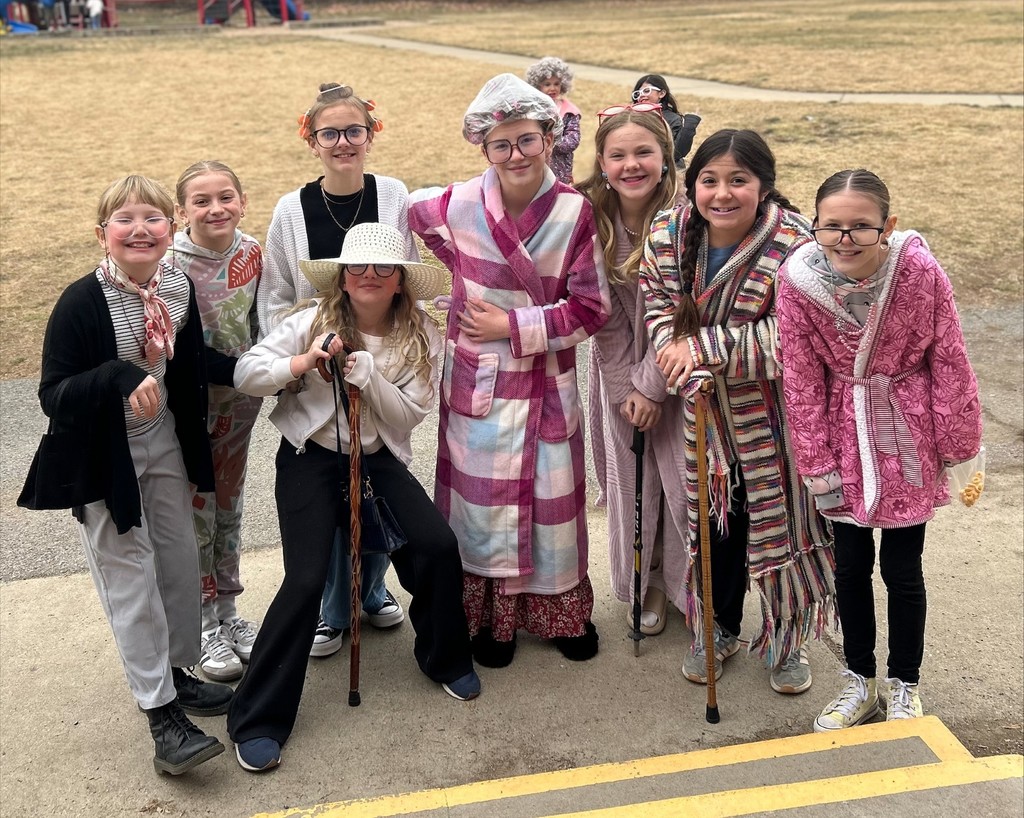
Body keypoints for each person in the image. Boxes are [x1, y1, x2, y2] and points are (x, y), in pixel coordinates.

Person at [226, 222, 479, 773]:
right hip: (310, 460)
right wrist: (300, 363)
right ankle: (260, 717)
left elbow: (411, 415)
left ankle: (443, 656)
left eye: (382, 269)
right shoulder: (309, 321)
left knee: (435, 545)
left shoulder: (422, 336)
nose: (368, 276)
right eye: (357, 268)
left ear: (399, 281)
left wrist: (372, 382)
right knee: (305, 578)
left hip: (377, 461)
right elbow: (247, 372)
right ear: (341, 278)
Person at [17, 175, 237, 775]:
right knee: (130, 577)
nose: (140, 229)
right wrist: (118, 375)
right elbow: (53, 394)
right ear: (102, 234)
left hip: (162, 440)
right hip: (102, 456)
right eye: (124, 219)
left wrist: (270, 367)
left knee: (177, 562)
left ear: (172, 230)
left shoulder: (176, 285)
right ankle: (162, 717)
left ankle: (175, 673)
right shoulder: (81, 301)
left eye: (153, 218)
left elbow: (192, 362)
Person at [409, 73, 610, 668]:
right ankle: (489, 625)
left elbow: (591, 308)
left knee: (553, 502)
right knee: (478, 504)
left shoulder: (575, 213)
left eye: (526, 140)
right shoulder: (458, 203)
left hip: (545, 379)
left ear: (550, 137)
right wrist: (460, 275)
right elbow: (412, 220)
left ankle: (559, 618)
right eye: (502, 144)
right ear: (484, 148)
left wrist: (511, 326)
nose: (515, 154)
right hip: (481, 383)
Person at [776, 169, 982, 731]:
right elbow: (798, 374)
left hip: (906, 428)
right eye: (832, 226)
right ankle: (858, 680)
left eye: (861, 227)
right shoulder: (796, 283)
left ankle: (904, 683)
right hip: (844, 434)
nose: (846, 238)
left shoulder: (919, 272)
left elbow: (949, 356)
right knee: (849, 566)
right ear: (813, 226)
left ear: (886, 227)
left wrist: (959, 443)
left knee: (902, 566)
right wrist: (817, 462)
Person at [639, 129, 835, 694]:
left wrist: (702, 349)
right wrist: (680, 361)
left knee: (784, 522)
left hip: (779, 420)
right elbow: (659, 309)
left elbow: (796, 339)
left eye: (738, 181)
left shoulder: (798, 247)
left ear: (764, 187)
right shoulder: (668, 236)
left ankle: (785, 635)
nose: (722, 194)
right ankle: (717, 627)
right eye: (709, 180)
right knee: (718, 524)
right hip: (705, 412)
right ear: (691, 183)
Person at [255, 82, 409, 660]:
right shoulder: (291, 209)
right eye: (330, 133)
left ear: (371, 135)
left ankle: (371, 588)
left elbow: (405, 274)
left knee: (375, 480)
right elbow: (275, 295)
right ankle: (329, 606)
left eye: (354, 131)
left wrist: (382, 352)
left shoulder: (392, 195)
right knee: (324, 492)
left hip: (380, 361)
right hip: (316, 360)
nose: (343, 142)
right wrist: (303, 354)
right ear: (311, 139)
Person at [577, 105, 685, 636]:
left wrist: (653, 383)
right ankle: (647, 585)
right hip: (617, 373)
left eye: (644, 152)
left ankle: (691, 588)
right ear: (601, 162)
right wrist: (628, 388)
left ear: (665, 159)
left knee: (685, 484)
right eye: (617, 155)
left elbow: (691, 312)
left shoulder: (690, 217)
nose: (631, 164)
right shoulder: (592, 219)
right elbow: (602, 315)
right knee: (634, 482)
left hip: (681, 370)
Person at [173, 160, 263, 683]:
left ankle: (229, 613)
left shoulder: (251, 252)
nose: (215, 209)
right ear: (182, 210)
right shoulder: (169, 263)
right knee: (195, 519)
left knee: (229, 511)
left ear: (242, 200)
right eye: (201, 201)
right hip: (188, 414)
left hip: (240, 409)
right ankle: (202, 622)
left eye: (225, 196)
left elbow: (259, 321)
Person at [525, 56, 581, 184]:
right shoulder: (532, 109)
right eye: (547, 84)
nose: (553, 88)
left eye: (557, 84)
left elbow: (573, 139)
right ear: (538, 86)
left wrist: (551, 144)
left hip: (560, 170)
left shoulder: (569, 112)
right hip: (535, 167)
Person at [632, 74, 701, 169]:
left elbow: (678, 152)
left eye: (646, 91)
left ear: (662, 93)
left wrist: (689, 125)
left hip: (668, 170)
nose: (642, 95)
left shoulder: (672, 119)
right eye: (637, 93)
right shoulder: (631, 117)